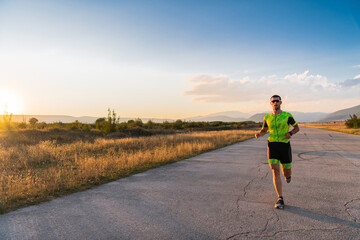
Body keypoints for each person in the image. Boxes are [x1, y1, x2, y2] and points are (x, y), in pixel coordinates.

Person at [255, 95, 300, 209]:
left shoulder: (287, 115)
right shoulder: (267, 117)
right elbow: (264, 130)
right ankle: (280, 198)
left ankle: (288, 176)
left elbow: (296, 128)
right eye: (273, 101)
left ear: (280, 102)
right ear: (270, 103)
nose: (275, 102)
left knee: (286, 172)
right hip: (272, 145)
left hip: (284, 146)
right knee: (275, 171)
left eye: (277, 101)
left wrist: (290, 133)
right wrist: (259, 134)